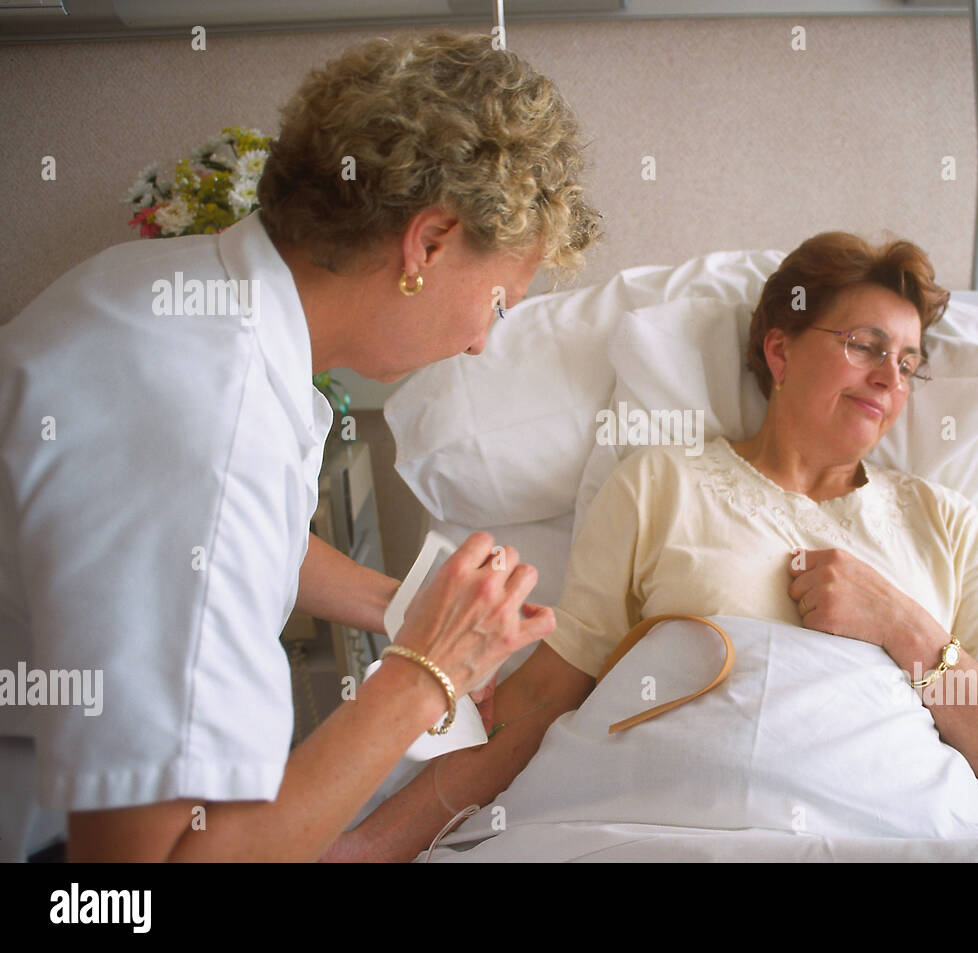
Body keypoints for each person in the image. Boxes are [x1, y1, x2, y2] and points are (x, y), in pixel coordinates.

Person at [0, 30, 602, 862]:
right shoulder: (212, 427)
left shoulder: (166, 293)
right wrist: (422, 675)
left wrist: (404, 608)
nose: (478, 346)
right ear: (425, 243)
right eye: (498, 306)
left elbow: (233, 542)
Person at [335, 231, 978, 862]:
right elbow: (538, 708)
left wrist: (902, 626)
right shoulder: (660, 483)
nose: (889, 376)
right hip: (658, 828)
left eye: (908, 363)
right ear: (779, 350)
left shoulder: (942, 521)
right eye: (865, 346)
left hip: (886, 834)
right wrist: (367, 845)